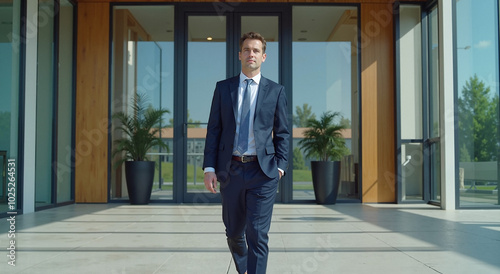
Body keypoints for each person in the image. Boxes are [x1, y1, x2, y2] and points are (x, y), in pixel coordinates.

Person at [203, 32, 289, 274]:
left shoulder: (276, 91)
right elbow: (214, 130)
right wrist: (209, 168)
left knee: (257, 233)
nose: (251, 54)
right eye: (247, 50)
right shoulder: (223, 88)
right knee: (233, 233)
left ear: (264, 56)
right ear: (239, 54)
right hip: (229, 170)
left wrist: (280, 167)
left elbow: (283, 133)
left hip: (263, 172)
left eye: (256, 50)